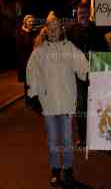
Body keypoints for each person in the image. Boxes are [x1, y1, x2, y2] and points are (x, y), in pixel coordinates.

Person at [26, 19, 89, 187]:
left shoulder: (69, 49)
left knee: (68, 139)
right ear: (46, 31)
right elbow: (32, 73)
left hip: (67, 103)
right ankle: (55, 170)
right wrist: (33, 94)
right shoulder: (39, 52)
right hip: (49, 104)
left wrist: (88, 75)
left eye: (56, 29)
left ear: (61, 30)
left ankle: (67, 169)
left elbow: (82, 65)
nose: (53, 32)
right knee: (53, 140)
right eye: (50, 29)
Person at [16, 15, 40, 110]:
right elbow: (19, 50)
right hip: (25, 62)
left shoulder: (34, 33)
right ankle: (29, 101)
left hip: (35, 62)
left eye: (32, 22)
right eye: (29, 21)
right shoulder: (21, 34)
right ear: (25, 22)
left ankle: (34, 101)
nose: (31, 23)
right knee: (28, 83)